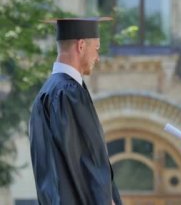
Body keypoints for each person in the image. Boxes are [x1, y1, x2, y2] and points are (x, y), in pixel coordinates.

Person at [29, 17, 122, 205]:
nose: (98, 57)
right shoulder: (68, 93)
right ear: (81, 45)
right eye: (96, 49)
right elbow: (88, 159)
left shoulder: (45, 94)